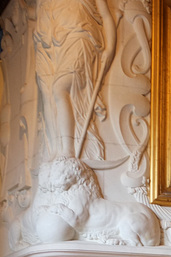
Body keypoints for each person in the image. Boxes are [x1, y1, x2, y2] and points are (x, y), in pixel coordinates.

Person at [34, 0, 117, 160]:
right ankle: (56, 150)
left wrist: (111, 48)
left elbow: (106, 15)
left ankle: (68, 150)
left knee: (60, 88)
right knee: (49, 96)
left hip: (80, 35)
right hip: (50, 44)